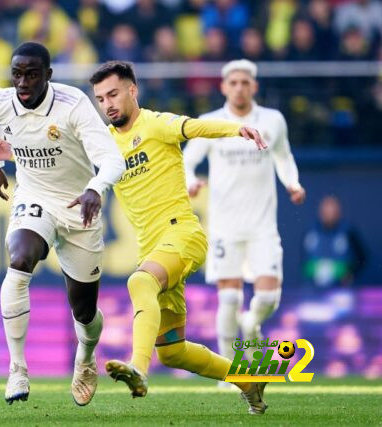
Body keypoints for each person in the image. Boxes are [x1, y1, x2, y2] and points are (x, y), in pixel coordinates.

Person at [89, 61, 269, 414]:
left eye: (113, 93)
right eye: (100, 98)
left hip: (183, 234)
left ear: (132, 90)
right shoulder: (105, 146)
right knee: (173, 351)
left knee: (140, 282)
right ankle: (248, 381)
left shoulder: (155, 124)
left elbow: (195, 126)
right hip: (153, 248)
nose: (107, 104)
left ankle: (138, 368)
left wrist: (237, 130)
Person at [0, 42, 125, 406]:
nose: (23, 82)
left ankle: (86, 357)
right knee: (19, 258)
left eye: (32, 74)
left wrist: (94, 188)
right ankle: (17, 370)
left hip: (80, 208)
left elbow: (112, 160)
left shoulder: (73, 104)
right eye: (17, 74)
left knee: (84, 311)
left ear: (48, 74)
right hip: (34, 197)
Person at [183, 60, 305, 389]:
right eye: (233, 82)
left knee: (268, 298)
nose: (239, 87)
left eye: (244, 82)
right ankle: (230, 374)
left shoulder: (272, 120)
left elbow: (283, 156)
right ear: (224, 87)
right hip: (225, 226)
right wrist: (191, 180)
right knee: (228, 298)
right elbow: (188, 159)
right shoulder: (210, 123)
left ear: (254, 86)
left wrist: (292, 183)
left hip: (263, 225)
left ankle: (251, 326)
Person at [302, 195, 367, 289]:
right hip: (314, 290)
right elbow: (304, 261)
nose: (328, 214)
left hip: (342, 290)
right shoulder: (310, 232)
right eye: (325, 211)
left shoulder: (348, 232)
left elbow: (362, 258)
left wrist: (351, 273)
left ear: (338, 212)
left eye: (331, 210)